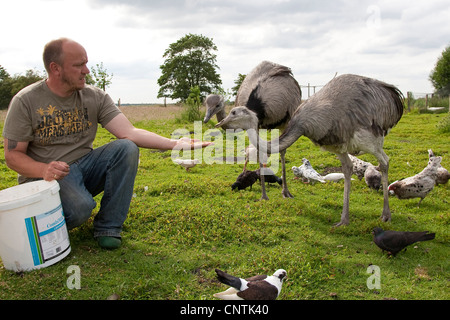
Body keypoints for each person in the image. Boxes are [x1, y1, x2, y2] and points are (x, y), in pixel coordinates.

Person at [2, 38, 211, 250]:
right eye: (78, 65)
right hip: (49, 175)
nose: (86, 70)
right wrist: (43, 168)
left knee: (126, 147)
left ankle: (108, 227)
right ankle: (40, 225)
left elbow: (129, 132)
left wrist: (175, 143)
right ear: (55, 68)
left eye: (86, 63)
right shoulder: (26, 101)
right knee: (80, 208)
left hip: (85, 166)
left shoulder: (95, 97)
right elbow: (13, 155)